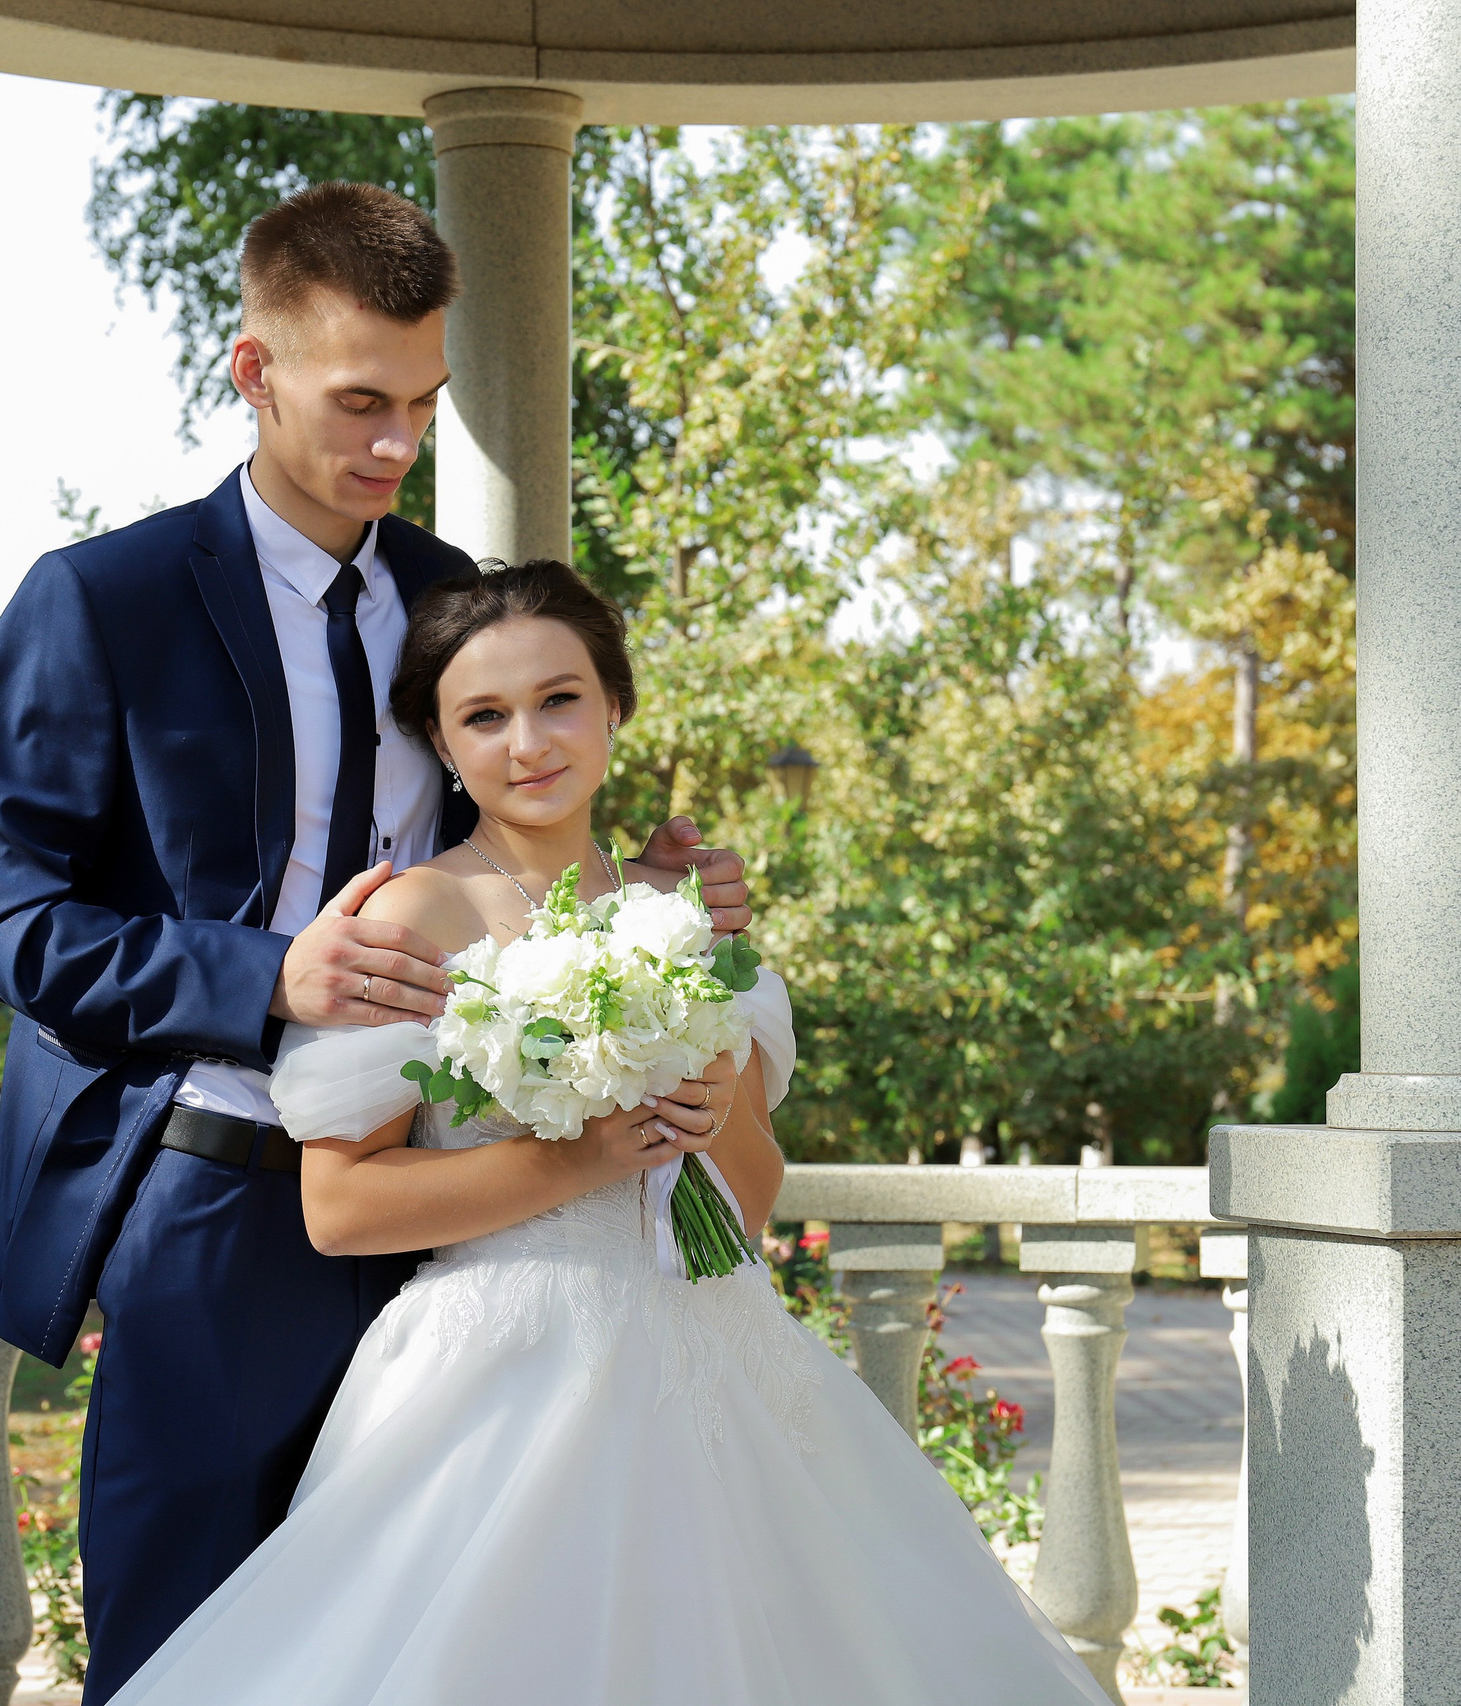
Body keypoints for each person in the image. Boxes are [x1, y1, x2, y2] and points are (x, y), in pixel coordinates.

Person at [0, 181, 749, 1699]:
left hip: (468, 1220)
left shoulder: (455, 602)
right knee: (187, 1652)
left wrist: (645, 899)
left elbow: (513, 840)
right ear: (253, 371)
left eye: (423, 406)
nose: (394, 445)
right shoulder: (97, 604)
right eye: (359, 402)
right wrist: (266, 977)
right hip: (213, 1198)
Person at [99, 560, 1114, 1705]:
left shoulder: (677, 915)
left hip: (718, 1348)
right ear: (440, 742)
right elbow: (339, 1210)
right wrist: (576, 1156)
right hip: (501, 1369)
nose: (527, 740)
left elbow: (753, 1196)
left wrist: (713, 1093)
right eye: (483, 715)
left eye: (559, 698)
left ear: (615, 705)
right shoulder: (412, 913)